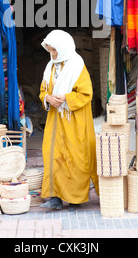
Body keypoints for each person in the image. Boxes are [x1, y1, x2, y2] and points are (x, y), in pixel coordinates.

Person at [39, 29, 99, 211]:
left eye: (54, 50)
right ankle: (55, 198)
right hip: (55, 121)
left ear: (63, 48)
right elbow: (43, 90)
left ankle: (76, 199)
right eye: (50, 50)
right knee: (53, 156)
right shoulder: (50, 67)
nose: (52, 53)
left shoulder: (77, 66)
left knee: (75, 157)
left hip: (74, 121)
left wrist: (65, 98)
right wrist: (47, 98)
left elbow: (86, 93)